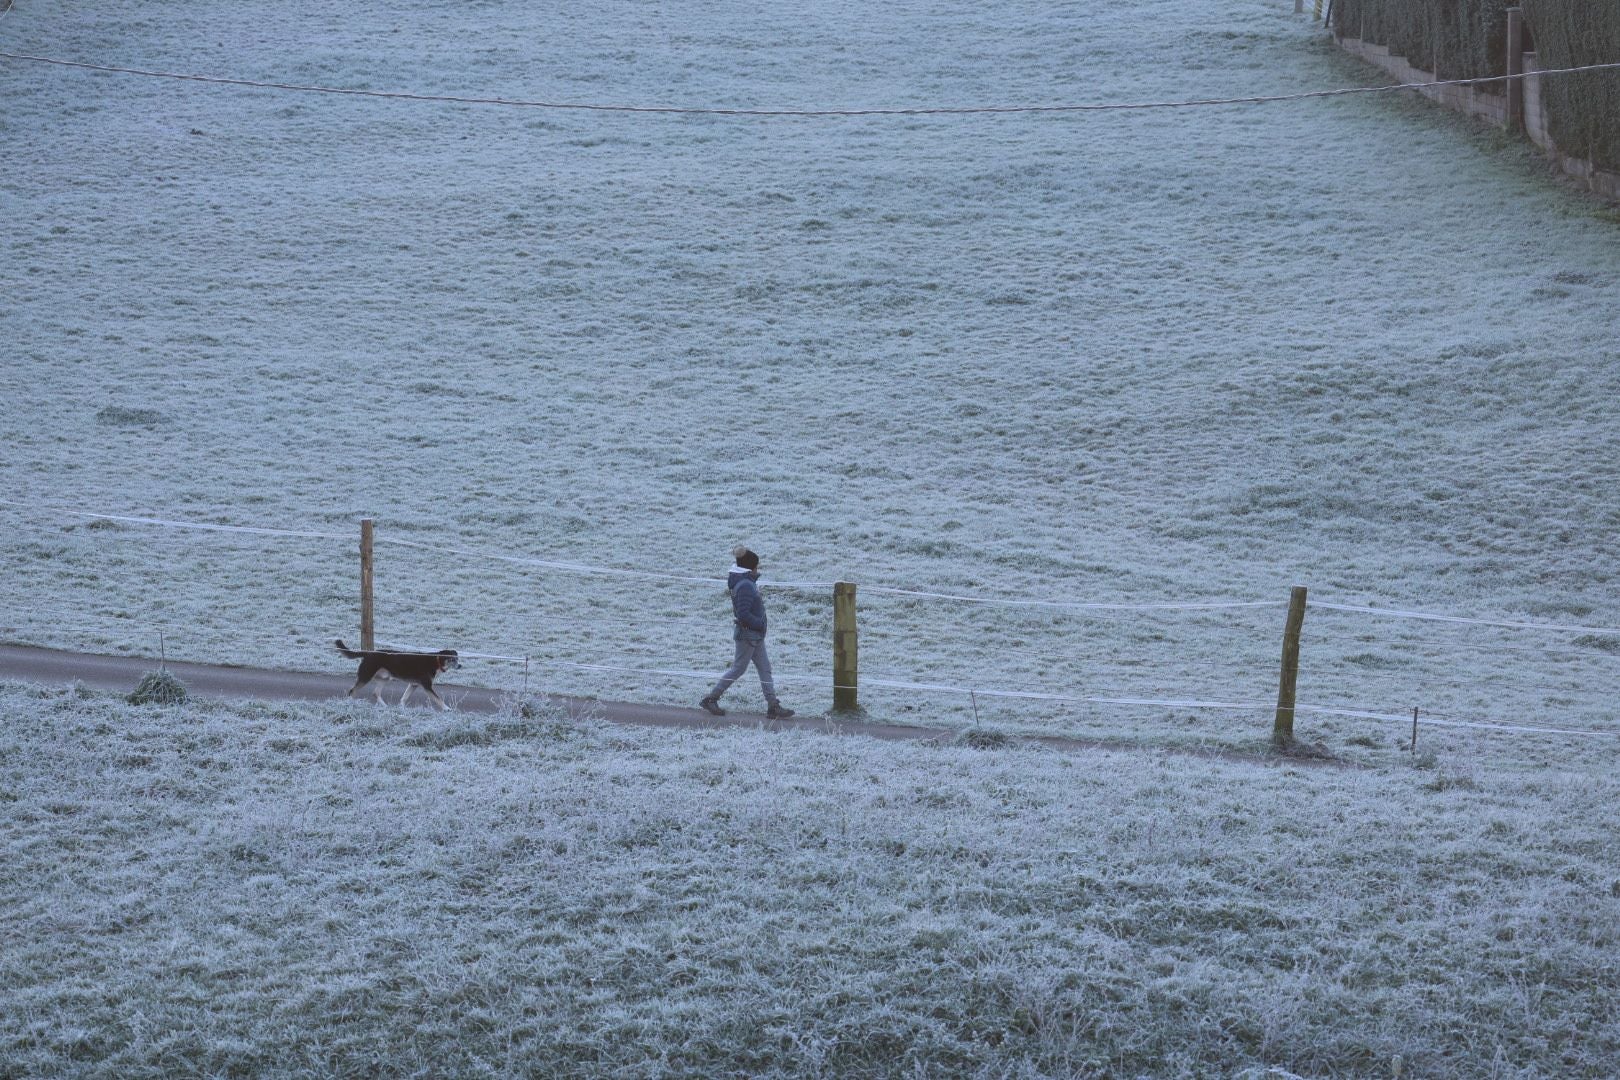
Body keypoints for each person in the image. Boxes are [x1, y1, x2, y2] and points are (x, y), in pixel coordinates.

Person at [700, 546, 795, 719]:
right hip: (748, 635)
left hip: (754, 635)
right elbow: (743, 614)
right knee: (738, 669)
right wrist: (759, 623)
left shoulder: (746, 582)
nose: (758, 568)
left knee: (765, 669)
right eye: (756, 565)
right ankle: (711, 699)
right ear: (751, 567)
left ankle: (773, 706)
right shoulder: (745, 585)